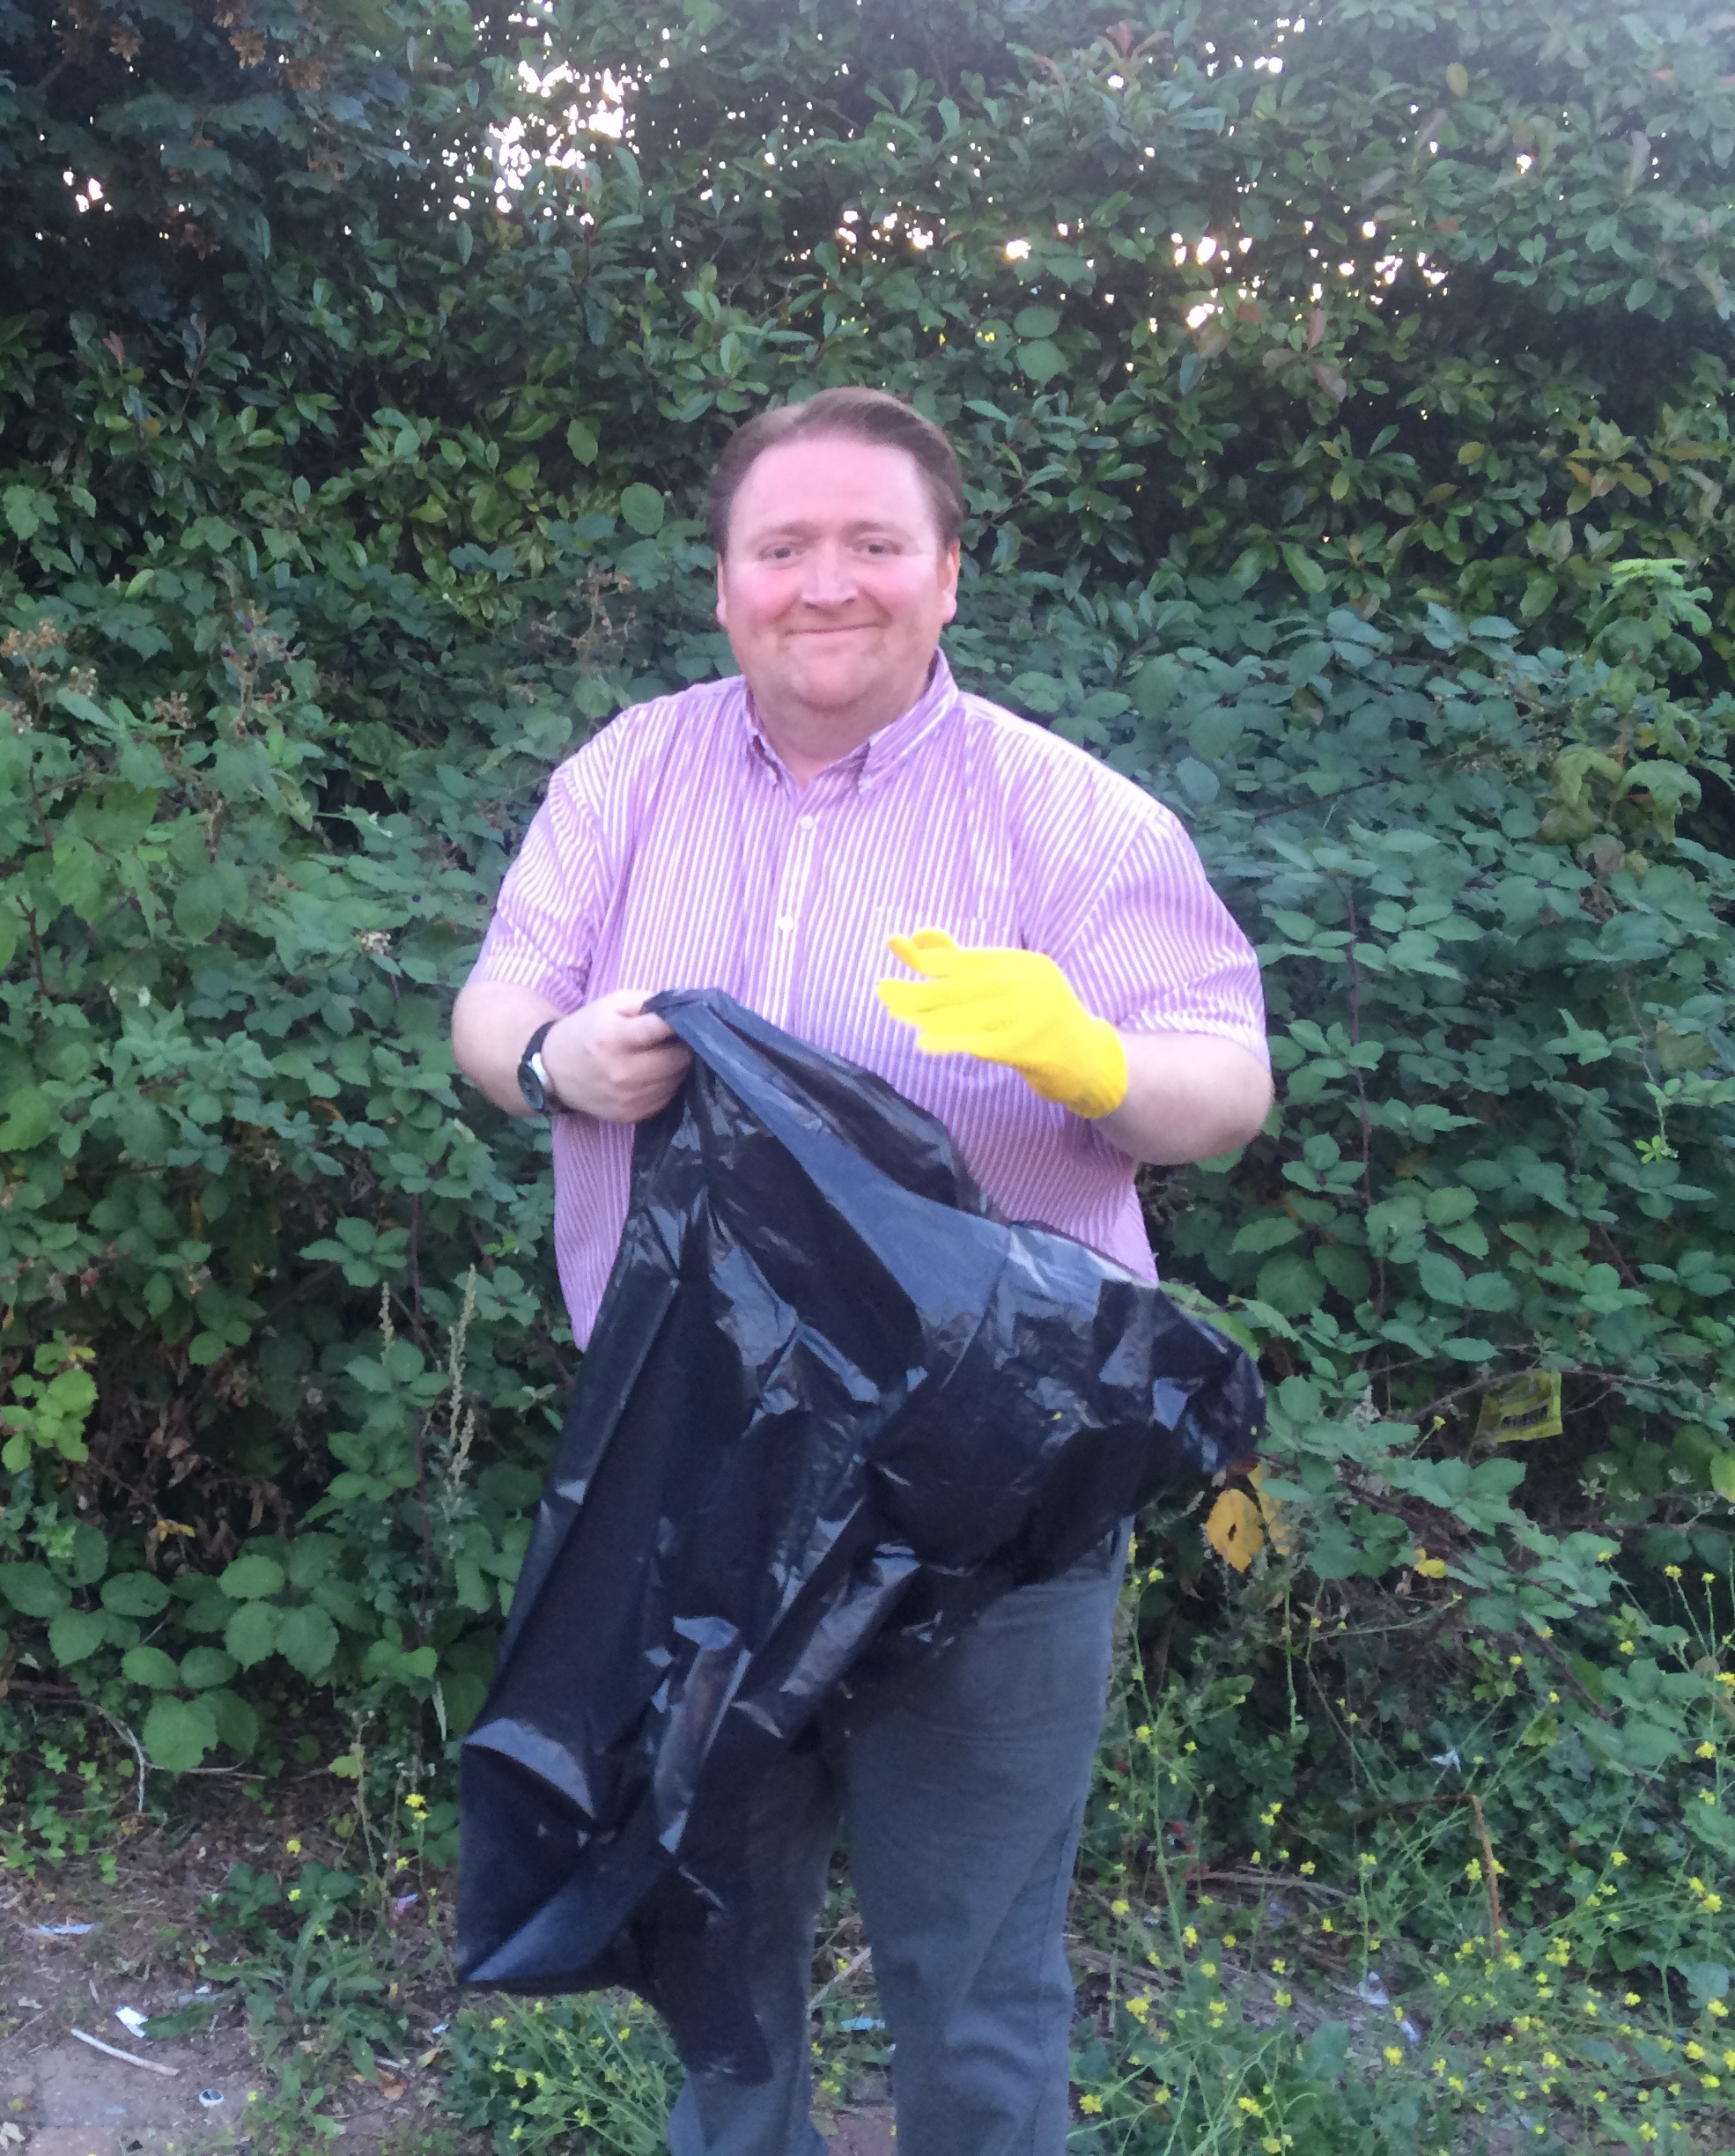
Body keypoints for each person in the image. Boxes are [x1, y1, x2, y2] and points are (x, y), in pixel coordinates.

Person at [449, 387, 1272, 2156]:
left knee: (977, 1994)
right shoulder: (627, 777)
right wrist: (551, 1066)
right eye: (783, 547)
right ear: (728, 582)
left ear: (949, 575)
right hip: (696, 1496)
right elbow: (494, 1002)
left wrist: (1098, 1065)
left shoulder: (1071, 817)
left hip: (988, 1510)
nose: (828, 583)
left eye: (874, 544)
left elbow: (1231, 1081)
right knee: (717, 1974)